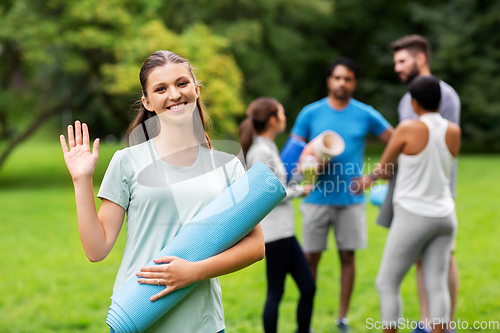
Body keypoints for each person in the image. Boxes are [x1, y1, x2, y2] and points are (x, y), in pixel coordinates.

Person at [59, 50, 265, 333]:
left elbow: (255, 247)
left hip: (202, 322)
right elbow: (97, 249)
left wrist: (192, 272)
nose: (174, 94)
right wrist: (82, 180)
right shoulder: (127, 161)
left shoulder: (227, 166)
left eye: (181, 83)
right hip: (138, 315)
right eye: (161, 89)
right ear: (148, 102)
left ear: (196, 88)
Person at [290, 57, 393, 332]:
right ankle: (306, 319)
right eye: (337, 78)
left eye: (347, 79)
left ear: (354, 83)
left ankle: (342, 318)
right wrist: (306, 170)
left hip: (351, 201)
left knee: (348, 257)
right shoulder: (310, 113)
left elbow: (396, 140)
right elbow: (292, 154)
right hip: (315, 199)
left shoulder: (365, 113)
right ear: (329, 80)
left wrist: (372, 177)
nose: (341, 83)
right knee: (310, 258)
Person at [372, 75, 460, 333]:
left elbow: (384, 169)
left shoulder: (408, 128)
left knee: (386, 283)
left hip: (413, 215)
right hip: (445, 215)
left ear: (413, 102)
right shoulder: (454, 131)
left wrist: (371, 178)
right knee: (437, 284)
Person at [391, 35, 461, 333]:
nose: (397, 68)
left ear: (420, 59)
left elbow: (445, 150)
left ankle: (445, 324)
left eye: (402, 61)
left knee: (443, 259)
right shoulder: (406, 100)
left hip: (437, 195)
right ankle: (426, 322)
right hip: (409, 197)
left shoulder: (447, 97)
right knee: (421, 258)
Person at [240, 97, 316, 333]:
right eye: (281, 114)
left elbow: (279, 182)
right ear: (273, 119)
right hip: (274, 234)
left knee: (308, 287)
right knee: (276, 293)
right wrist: (299, 191)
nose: (284, 118)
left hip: (285, 232)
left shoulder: (268, 146)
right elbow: (267, 192)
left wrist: (302, 176)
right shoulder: (261, 151)